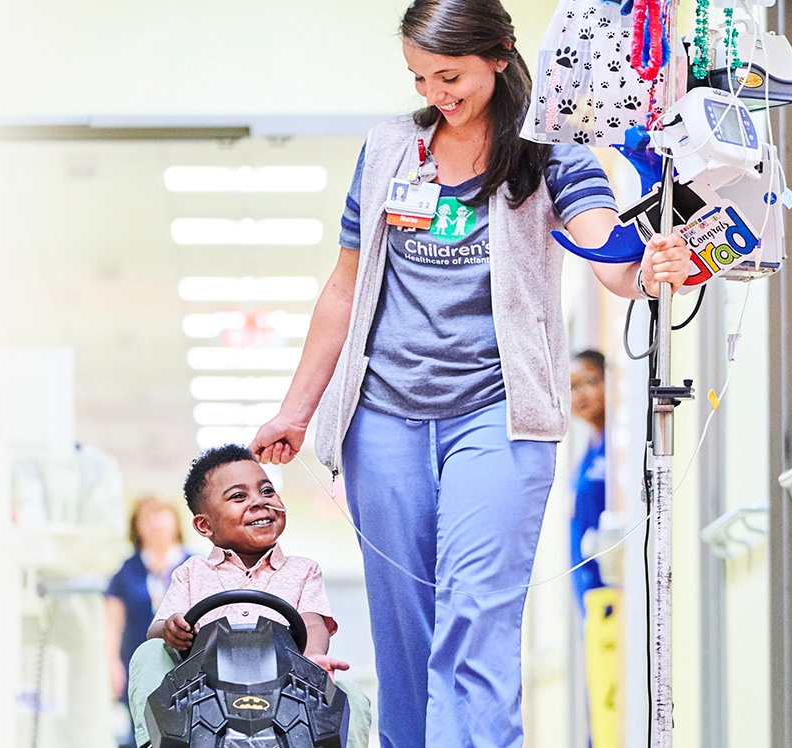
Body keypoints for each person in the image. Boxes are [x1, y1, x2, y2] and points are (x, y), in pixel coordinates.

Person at [246, 1, 690, 746]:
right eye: (419, 77)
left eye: (449, 75)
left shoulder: (551, 149)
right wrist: (296, 409)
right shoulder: (389, 148)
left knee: (476, 613)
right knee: (405, 630)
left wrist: (650, 265)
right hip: (382, 418)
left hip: (499, 414)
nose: (433, 94)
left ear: (499, 55)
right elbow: (344, 286)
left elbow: (607, 252)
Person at [125, 444, 369, 748]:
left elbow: (312, 623)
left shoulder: (303, 571)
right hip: (203, 693)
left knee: (352, 695)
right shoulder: (191, 572)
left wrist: (313, 658)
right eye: (239, 497)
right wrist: (170, 628)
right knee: (148, 652)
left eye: (267, 491)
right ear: (205, 525)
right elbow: (157, 628)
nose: (259, 502)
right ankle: (156, 743)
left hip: (286, 690)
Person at [104, 498, 191, 748]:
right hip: (138, 663)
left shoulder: (194, 564)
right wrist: (111, 662)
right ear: (137, 527)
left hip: (187, 665)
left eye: (162, 516)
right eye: (148, 518)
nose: (156, 524)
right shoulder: (127, 571)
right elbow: (113, 621)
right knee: (141, 731)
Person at [569, 350, 608, 611]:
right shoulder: (586, 454)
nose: (580, 394)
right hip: (591, 597)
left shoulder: (616, 446)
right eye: (571, 387)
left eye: (590, 382)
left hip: (612, 592)